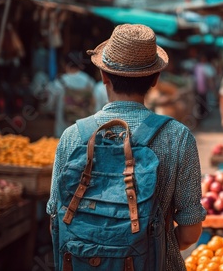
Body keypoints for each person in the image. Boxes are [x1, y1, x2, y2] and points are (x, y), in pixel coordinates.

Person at [47, 24, 206, 270]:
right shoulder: (178, 137)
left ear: (104, 77)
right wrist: (147, 248)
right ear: (155, 79)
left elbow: (55, 220)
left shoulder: (71, 137)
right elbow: (189, 232)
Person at [52, 52, 96, 137]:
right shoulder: (89, 81)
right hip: (83, 129)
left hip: (63, 128)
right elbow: (94, 104)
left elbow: (50, 104)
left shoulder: (59, 82)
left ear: (66, 64)